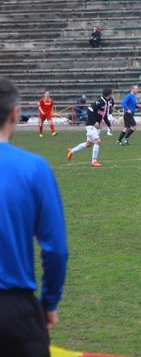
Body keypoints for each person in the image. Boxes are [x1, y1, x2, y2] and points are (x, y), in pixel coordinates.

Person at [0, 77, 69, 356]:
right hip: (13, 311)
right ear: (15, 113)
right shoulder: (34, 168)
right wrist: (50, 302)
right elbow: (56, 250)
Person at [67, 87, 112, 167]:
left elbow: (104, 116)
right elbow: (89, 110)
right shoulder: (100, 101)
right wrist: (95, 122)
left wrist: (109, 125)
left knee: (88, 144)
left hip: (95, 127)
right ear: (109, 94)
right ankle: (94, 161)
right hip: (91, 125)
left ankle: (71, 151)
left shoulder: (107, 103)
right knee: (98, 141)